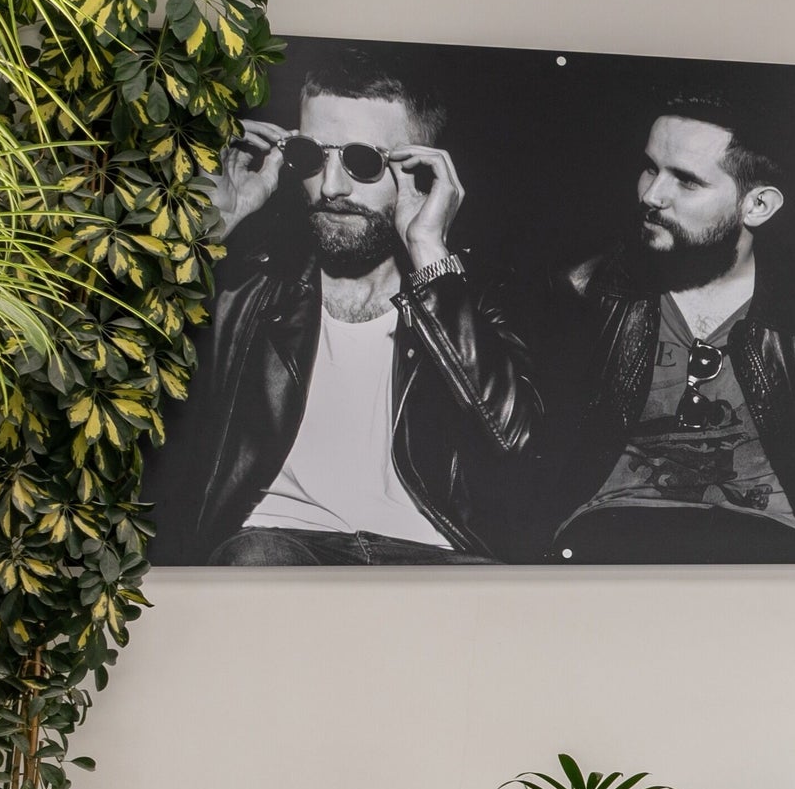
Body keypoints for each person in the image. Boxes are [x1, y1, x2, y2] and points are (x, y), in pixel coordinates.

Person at [155, 57, 544, 563]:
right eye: (311, 156)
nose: (333, 187)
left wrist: (429, 251)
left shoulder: (473, 294)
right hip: (278, 544)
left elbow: (516, 445)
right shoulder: (247, 286)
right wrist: (210, 232)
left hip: (435, 558)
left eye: (363, 161)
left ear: (421, 173)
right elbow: (120, 381)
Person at [548, 94, 795, 560]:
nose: (652, 195)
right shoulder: (587, 291)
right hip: (608, 536)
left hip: (771, 545)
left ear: (757, 206)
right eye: (651, 168)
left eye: (687, 181)